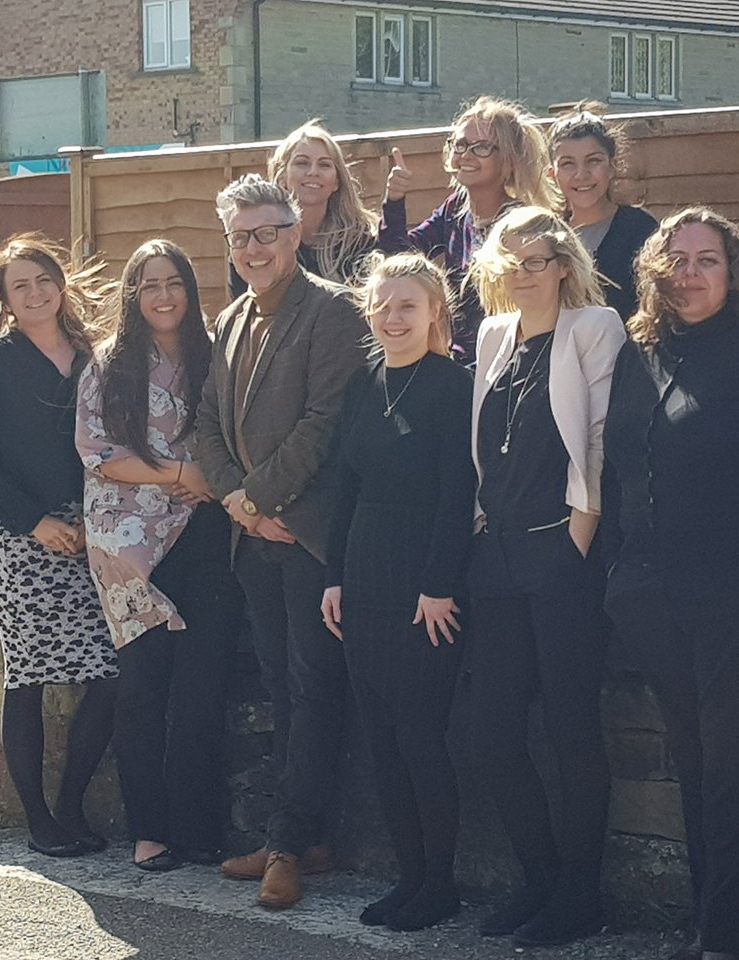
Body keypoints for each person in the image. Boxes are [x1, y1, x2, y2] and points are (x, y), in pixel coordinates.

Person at [601, 207, 739, 960]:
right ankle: (704, 925)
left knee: (735, 765)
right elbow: (615, 465)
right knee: (692, 761)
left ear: (736, 274)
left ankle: (731, 938)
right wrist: (618, 576)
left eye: (708, 261)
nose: (689, 273)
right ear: (655, 272)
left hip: (732, 590)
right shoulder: (640, 351)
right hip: (649, 593)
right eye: (677, 260)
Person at [200, 174, 366, 908]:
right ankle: (307, 835)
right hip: (252, 539)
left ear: (296, 234)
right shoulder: (232, 317)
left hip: (308, 538)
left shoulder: (332, 313)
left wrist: (263, 499)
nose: (254, 247)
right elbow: (205, 424)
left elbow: (324, 425)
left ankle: (288, 845)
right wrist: (239, 503)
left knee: (313, 687)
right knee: (283, 690)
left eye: (268, 232)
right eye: (241, 236)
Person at [465, 206, 626, 947]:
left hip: (561, 558)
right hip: (494, 557)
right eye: (510, 260)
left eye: (536, 259)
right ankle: (538, 881)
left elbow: (596, 438)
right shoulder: (493, 335)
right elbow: (483, 448)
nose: (522, 272)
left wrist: (578, 540)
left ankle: (579, 896)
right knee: (491, 732)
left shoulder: (594, 327)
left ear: (564, 264)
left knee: (571, 732)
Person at [76, 239, 242, 872]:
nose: (164, 295)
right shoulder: (108, 365)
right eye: (149, 285)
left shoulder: (215, 357)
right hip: (128, 546)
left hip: (206, 535)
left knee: (204, 688)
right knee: (144, 689)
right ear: (133, 295)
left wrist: (207, 483)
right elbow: (97, 452)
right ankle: (149, 830)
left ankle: (198, 826)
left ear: (190, 291)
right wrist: (180, 473)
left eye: (174, 282)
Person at [322, 253, 475, 931]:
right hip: (365, 578)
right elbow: (343, 488)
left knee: (419, 734)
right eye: (382, 306)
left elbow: (457, 493)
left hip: (424, 588)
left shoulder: (452, 387)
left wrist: (439, 585)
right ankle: (408, 878)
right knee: (381, 735)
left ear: (435, 312)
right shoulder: (363, 385)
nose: (392, 317)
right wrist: (333, 578)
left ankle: (440, 885)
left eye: (407, 305)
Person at [0, 234, 119, 858]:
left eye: (43, 278)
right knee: (28, 675)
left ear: (61, 282)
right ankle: (39, 821)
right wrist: (33, 524)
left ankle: (72, 804)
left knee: (109, 672)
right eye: (19, 285)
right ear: (3, 299)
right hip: (18, 536)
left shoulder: (91, 355)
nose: (35, 291)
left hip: (89, 533)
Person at [378, 95, 558, 366]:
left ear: (509, 161)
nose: (466, 155)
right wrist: (394, 201)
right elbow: (400, 259)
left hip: (509, 361)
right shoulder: (454, 211)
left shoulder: (522, 224)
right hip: (458, 361)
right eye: (460, 145)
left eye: (482, 147)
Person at [227, 120, 378, 300]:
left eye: (324, 165)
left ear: (336, 181)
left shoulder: (361, 241)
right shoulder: (254, 243)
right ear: (282, 177)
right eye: (302, 163)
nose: (313, 172)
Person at [548, 102, 657, 321]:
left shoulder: (641, 231)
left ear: (613, 165)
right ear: (552, 174)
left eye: (594, 161)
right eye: (568, 164)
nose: (582, 174)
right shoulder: (547, 234)